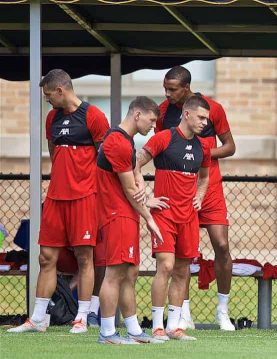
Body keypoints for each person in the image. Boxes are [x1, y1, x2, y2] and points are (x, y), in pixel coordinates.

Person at [8, 69, 109, 334]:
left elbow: (106, 157)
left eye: (48, 95)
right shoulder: (52, 117)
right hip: (55, 197)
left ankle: (82, 318)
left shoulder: (94, 116)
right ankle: (39, 318)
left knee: (85, 257)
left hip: (85, 198)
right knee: (45, 257)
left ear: (60, 90)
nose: (47, 100)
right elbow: (55, 154)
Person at [157, 66, 236, 331]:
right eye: (165, 88)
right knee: (182, 252)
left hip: (208, 185)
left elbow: (230, 146)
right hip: (177, 191)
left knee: (221, 244)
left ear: (187, 87)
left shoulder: (212, 108)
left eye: (172, 89)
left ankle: (223, 310)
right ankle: (183, 313)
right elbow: (158, 147)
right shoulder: (164, 112)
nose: (167, 94)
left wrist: (200, 154)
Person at [135, 95, 211, 341]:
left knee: (182, 271)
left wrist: (199, 196)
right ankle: (157, 326)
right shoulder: (164, 138)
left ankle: (174, 326)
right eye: (200, 117)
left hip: (188, 217)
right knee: (165, 266)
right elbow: (133, 163)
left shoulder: (203, 146)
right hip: (164, 216)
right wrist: (145, 198)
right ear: (187, 114)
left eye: (206, 119)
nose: (204, 123)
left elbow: (205, 177)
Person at [94, 96, 165, 344]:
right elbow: (129, 190)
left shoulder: (125, 141)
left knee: (130, 272)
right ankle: (107, 333)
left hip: (126, 213)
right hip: (117, 214)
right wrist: (149, 218)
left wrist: (144, 192)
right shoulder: (118, 143)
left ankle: (133, 330)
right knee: (114, 274)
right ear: (137, 115)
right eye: (152, 120)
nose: (153, 126)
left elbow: (135, 175)